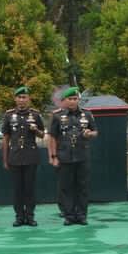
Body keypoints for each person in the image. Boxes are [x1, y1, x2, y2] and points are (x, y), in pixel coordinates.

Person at [47, 86, 98, 225]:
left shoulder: (87, 114)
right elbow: (52, 137)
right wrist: (53, 156)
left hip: (82, 156)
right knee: (66, 187)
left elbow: (95, 132)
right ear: (65, 100)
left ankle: (81, 215)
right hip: (64, 156)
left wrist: (89, 133)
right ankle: (69, 215)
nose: (73, 101)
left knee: (82, 186)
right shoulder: (58, 115)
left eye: (75, 99)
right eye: (70, 99)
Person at [1, 85, 45, 226]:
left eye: (24, 97)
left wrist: (36, 129)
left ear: (29, 99)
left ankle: (30, 216)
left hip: (30, 156)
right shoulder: (8, 115)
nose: (22, 100)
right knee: (17, 189)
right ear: (15, 99)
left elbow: (43, 134)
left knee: (29, 188)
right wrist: (5, 159)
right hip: (14, 156)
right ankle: (19, 216)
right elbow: (6, 138)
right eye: (19, 97)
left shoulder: (35, 114)